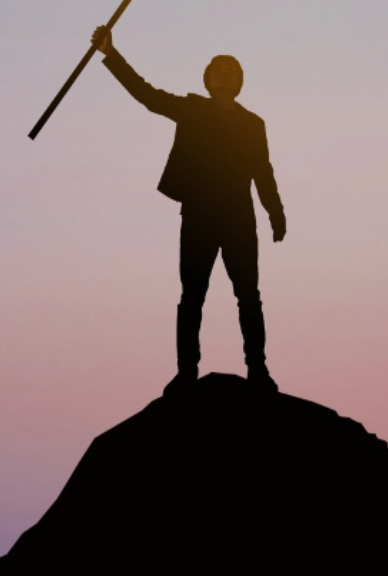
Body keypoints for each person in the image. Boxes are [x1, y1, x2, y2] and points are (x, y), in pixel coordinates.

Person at [91, 25, 286, 392]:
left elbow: (263, 171)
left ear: (240, 82)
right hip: (199, 216)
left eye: (231, 70)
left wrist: (275, 212)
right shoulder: (192, 109)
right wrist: (111, 55)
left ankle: (258, 369)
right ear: (207, 80)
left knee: (248, 296)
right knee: (192, 297)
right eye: (218, 70)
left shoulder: (252, 124)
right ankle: (186, 372)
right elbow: (147, 95)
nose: (224, 74)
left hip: (239, 220)